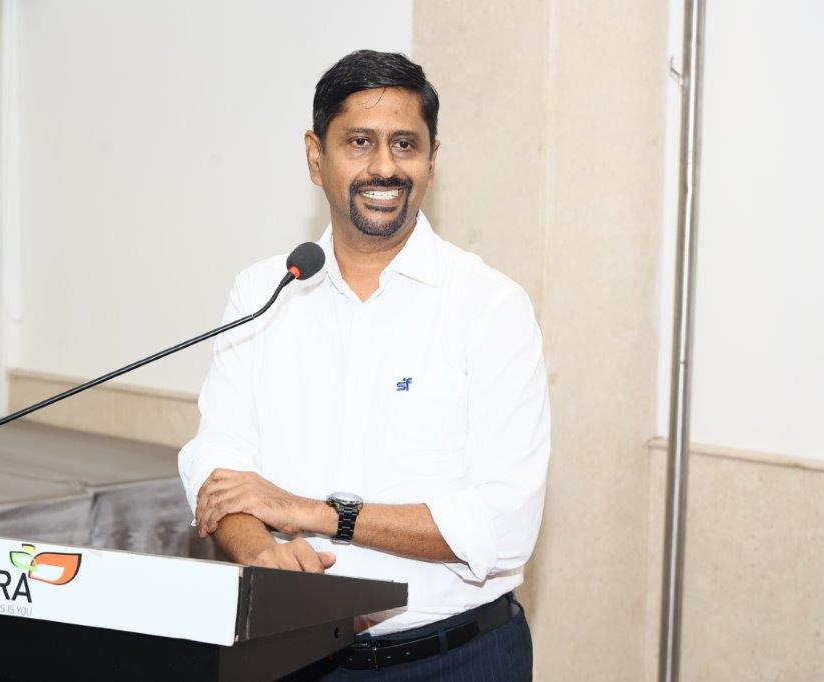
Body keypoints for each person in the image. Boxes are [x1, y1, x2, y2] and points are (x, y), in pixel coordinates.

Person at [178, 50, 550, 680]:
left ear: (432, 160)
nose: (384, 166)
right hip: (289, 654)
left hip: (455, 659)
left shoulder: (489, 305)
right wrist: (261, 550)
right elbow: (219, 463)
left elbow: (504, 525)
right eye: (359, 142)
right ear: (315, 157)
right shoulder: (264, 292)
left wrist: (312, 512)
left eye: (406, 144)